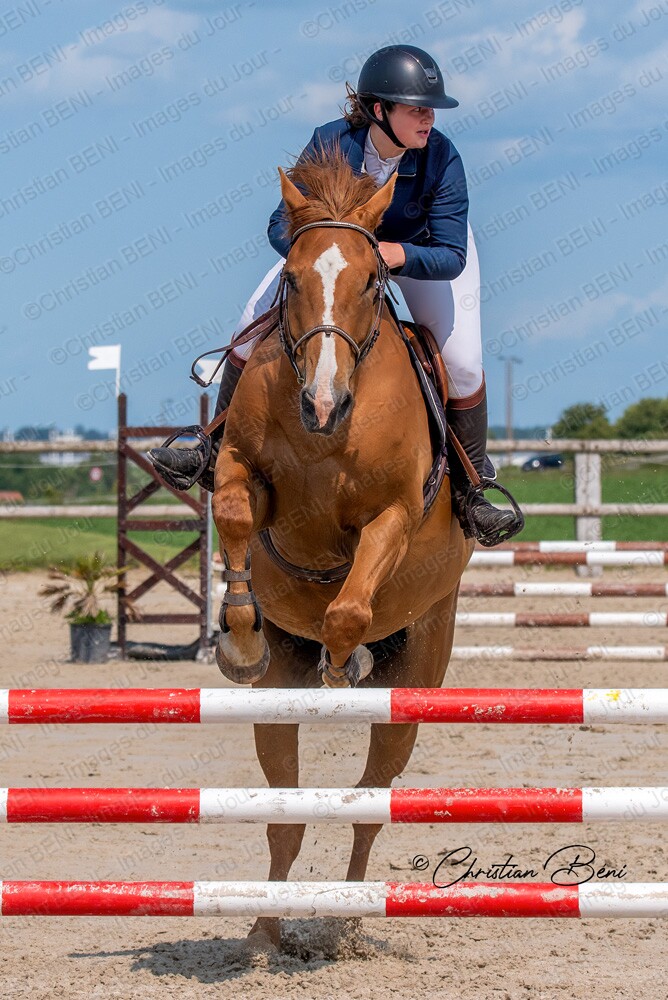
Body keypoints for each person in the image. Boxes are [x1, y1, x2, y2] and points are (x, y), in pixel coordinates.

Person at [149, 44, 523, 545]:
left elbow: (452, 255)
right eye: (416, 109)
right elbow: (280, 222)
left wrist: (393, 255)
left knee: (462, 362)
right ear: (379, 110)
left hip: (419, 254)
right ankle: (211, 448)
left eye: (431, 109)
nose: (429, 118)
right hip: (334, 260)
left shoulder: (442, 157)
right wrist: (321, 255)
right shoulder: (330, 142)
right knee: (249, 322)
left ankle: (471, 490)